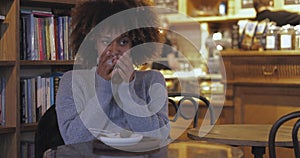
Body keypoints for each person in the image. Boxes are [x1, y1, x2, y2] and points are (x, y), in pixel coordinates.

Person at [55, 0, 170, 145]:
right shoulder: (71, 81)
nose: (114, 50)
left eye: (123, 42)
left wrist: (126, 88)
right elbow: (73, 139)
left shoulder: (152, 80)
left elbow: (159, 137)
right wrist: (103, 86)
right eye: (105, 41)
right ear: (93, 44)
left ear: (135, 45)